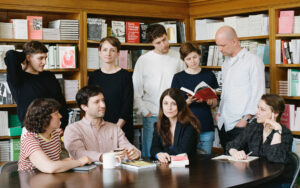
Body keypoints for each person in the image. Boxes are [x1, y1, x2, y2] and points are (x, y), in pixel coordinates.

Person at [133, 24, 185, 157]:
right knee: (150, 154)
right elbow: (136, 89)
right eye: (158, 43)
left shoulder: (178, 57)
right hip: (152, 114)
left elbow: (183, 84)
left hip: (175, 113)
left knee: (173, 154)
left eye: (164, 40)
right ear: (152, 43)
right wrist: (146, 112)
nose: (163, 45)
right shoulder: (143, 60)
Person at [226, 94, 293, 187]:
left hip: (276, 180)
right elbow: (232, 145)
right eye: (258, 108)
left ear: (276, 113)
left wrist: (277, 130)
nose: (257, 112)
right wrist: (235, 152)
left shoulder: (285, 134)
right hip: (254, 177)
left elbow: (276, 158)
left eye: (262, 109)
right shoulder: (254, 126)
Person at [215, 26, 265, 148]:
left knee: (242, 164)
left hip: (241, 124)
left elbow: (258, 94)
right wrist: (219, 113)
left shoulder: (253, 61)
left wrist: (245, 120)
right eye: (218, 45)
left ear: (234, 41)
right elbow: (226, 92)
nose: (219, 49)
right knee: (225, 163)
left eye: (223, 45)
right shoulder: (225, 63)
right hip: (224, 123)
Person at [64, 85, 140, 162]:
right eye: (96, 102)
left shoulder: (115, 128)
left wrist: (135, 153)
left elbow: (129, 148)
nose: (103, 105)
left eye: (103, 100)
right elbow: (78, 153)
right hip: (87, 174)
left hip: (114, 172)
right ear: (84, 107)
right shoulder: (72, 129)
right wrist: (102, 157)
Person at [4, 41, 68, 130]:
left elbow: (61, 101)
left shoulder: (49, 76)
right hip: (33, 130)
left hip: (55, 129)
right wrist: (24, 55)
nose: (44, 62)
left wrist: (63, 126)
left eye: (46, 58)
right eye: (40, 58)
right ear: (28, 57)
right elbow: (11, 55)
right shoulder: (17, 78)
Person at [18, 98, 91, 173]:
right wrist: (79, 162)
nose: (60, 116)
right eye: (56, 113)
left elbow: (55, 162)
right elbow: (49, 167)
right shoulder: (29, 139)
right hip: (31, 181)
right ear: (44, 118)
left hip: (49, 179)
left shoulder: (55, 134)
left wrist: (65, 162)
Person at [171, 42, 218, 154]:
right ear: (184, 60)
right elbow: (173, 106)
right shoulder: (178, 77)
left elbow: (215, 103)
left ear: (200, 55)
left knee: (206, 163)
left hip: (205, 126)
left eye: (195, 57)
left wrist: (211, 101)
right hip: (185, 127)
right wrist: (187, 101)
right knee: (186, 163)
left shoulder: (209, 75)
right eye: (188, 59)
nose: (192, 61)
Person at [88, 36, 134, 143]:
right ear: (99, 53)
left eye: (112, 50)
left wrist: (116, 129)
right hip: (99, 127)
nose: (108, 53)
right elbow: (90, 102)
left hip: (121, 128)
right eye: (105, 50)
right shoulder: (94, 76)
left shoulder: (125, 75)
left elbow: (127, 104)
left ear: (118, 54)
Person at [150, 88, 200, 163]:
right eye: (165, 103)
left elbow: (183, 151)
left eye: (173, 104)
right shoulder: (158, 125)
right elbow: (154, 148)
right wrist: (159, 154)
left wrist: (163, 152)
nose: (169, 108)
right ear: (161, 106)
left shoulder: (190, 125)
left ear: (180, 105)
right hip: (166, 167)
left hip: (188, 169)